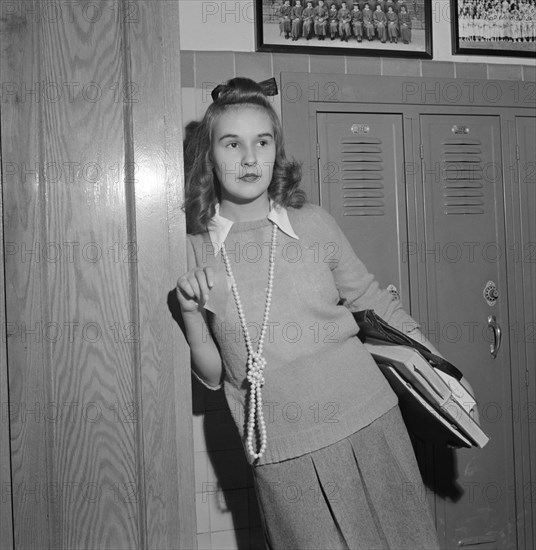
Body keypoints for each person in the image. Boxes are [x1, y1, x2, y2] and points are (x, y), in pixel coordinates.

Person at [177, 77, 443, 550]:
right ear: (209, 156)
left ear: (276, 150)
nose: (249, 158)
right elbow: (216, 377)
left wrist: (440, 371)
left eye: (262, 141)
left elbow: (372, 302)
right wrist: (193, 317)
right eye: (232, 143)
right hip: (281, 447)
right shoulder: (195, 251)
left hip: (370, 419)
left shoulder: (313, 223)